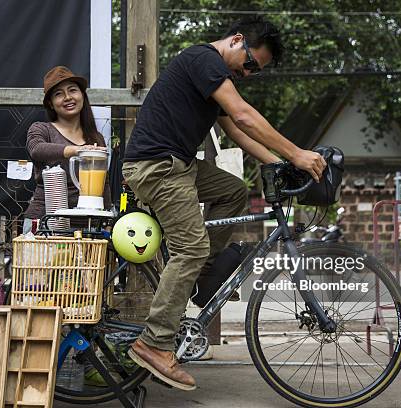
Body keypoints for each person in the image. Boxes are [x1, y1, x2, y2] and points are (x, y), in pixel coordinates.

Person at [123, 17, 327, 390]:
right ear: (236, 41)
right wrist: (297, 154)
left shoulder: (215, 79)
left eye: (256, 72)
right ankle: (153, 343)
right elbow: (244, 115)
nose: (249, 73)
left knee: (233, 192)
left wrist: (278, 164)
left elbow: (235, 130)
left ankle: (198, 277)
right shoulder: (204, 60)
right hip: (156, 167)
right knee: (191, 248)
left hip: (179, 164)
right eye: (250, 64)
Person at [23, 66, 109, 233]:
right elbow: (36, 149)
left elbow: (103, 183)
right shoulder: (41, 129)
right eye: (59, 94)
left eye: (72, 90)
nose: (68, 97)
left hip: (86, 225)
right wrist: (76, 150)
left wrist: (107, 219)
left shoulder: (96, 138)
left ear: (82, 95)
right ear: (50, 104)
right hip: (45, 221)